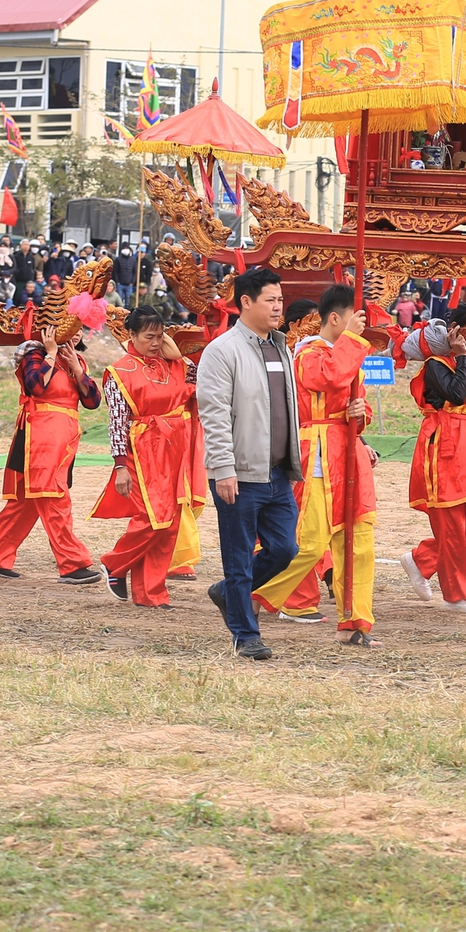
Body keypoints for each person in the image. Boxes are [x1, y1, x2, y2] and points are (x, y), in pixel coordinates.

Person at [250, 284, 382, 644]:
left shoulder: (348, 352)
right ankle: (251, 594)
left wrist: (359, 414)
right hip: (318, 456)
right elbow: (326, 378)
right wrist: (353, 343)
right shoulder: (308, 353)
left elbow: (358, 403)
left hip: (348, 454)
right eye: (356, 318)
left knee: (359, 542)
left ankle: (355, 623)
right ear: (336, 318)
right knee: (309, 542)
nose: (361, 325)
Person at [198, 270, 298, 655]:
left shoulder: (280, 347)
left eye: (279, 300)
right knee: (238, 559)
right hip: (238, 474)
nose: (278, 307)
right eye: (270, 300)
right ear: (245, 302)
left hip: (277, 473)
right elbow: (215, 413)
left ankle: (227, 594)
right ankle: (246, 635)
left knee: (284, 549)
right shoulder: (222, 351)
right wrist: (223, 468)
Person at [95, 306, 208, 612]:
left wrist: (174, 353)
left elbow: (201, 379)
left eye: (160, 336)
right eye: (149, 337)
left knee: (170, 524)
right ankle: (113, 563)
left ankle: (152, 593)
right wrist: (120, 466)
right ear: (131, 336)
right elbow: (117, 422)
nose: (156, 343)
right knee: (153, 519)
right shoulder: (120, 372)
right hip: (141, 450)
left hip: (173, 450)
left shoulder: (173, 367)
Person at [398, 303, 466, 612]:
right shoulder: (437, 364)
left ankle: (421, 559)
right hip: (444, 445)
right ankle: (457, 595)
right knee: (451, 525)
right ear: (455, 330)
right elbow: (457, 395)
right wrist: (460, 356)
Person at [0, 334, 105, 584]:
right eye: (69, 324)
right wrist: (51, 353)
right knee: (52, 495)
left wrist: (78, 369)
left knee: (26, 501)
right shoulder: (33, 355)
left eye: (79, 327)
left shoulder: (76, 360)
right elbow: (36, 387)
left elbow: (92, 401)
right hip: (41, 434)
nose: (75, 332)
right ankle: (72, 563)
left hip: (65, 434)